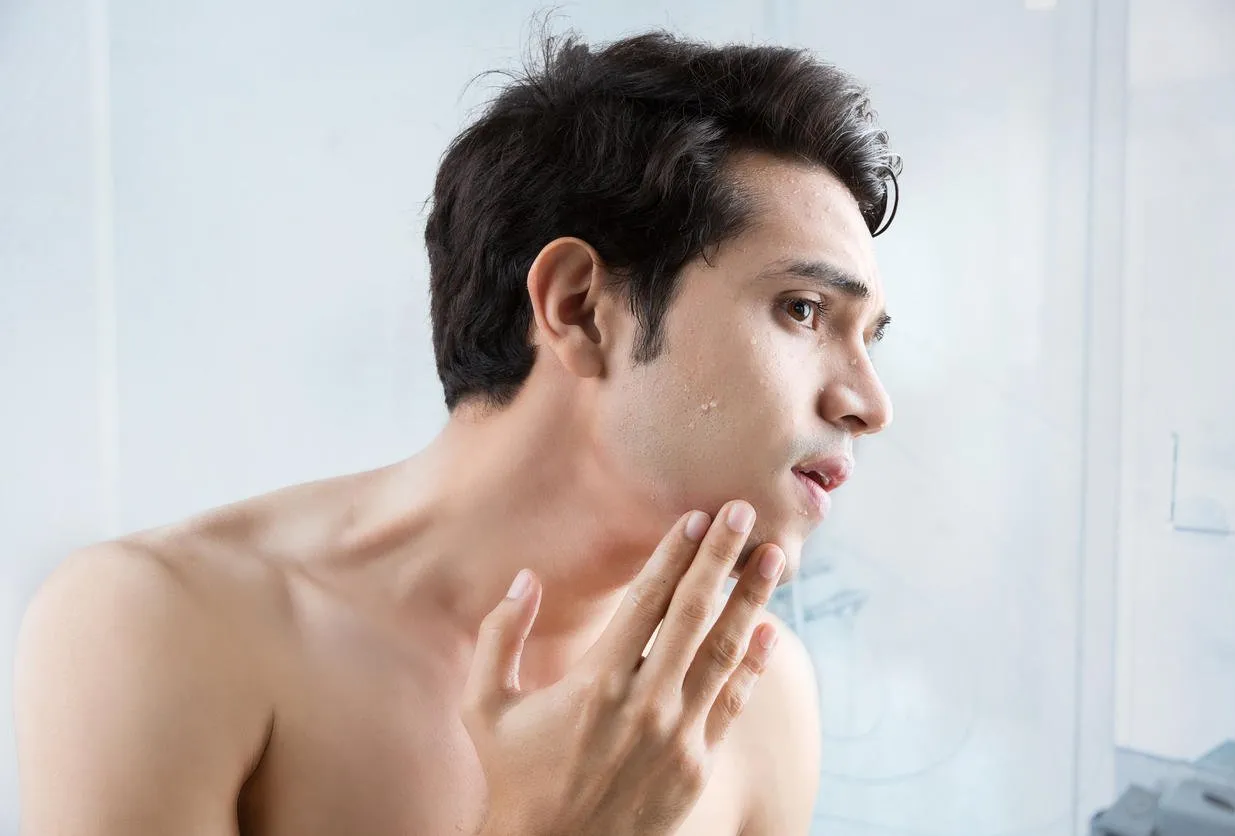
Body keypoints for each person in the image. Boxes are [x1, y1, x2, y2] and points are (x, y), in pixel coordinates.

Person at [14, 27, 897, 836]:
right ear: (579, 308)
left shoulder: (754, 700)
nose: (869, 402)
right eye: (803, 309)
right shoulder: (166, 628)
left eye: (871, 339)